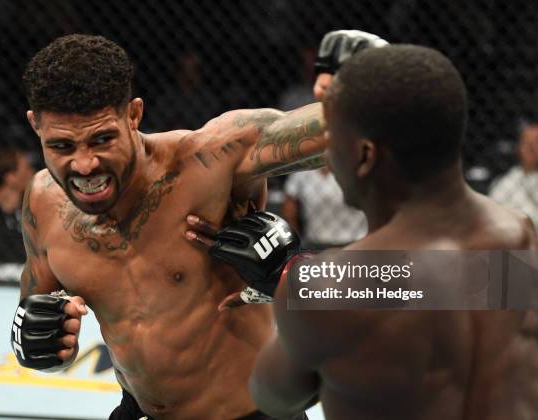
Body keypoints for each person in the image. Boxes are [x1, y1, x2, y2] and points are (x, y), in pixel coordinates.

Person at [9, 31, 385, 419]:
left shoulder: (211, 162)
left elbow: (357, 126)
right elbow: (37, 313)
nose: (85, 165)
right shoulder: (43, 201)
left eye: (102, 139)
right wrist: (42, 345)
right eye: (62, 147)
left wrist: (379, 79)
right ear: (35, 125)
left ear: (134, 114)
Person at [186, 45, 538, 419]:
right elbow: (447, 280)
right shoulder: (519, 236)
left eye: (333, 140)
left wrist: (289, 278)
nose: (326, 158)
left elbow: (273, 398)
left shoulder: (329, 285)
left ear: (365, 155)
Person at [282, 167, 367, 249]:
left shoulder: (354, 168)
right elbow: (289, 209)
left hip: (355, 240)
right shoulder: (301, 173)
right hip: (316, 242)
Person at [489, 119, 538, 230]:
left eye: (537, 142)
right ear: (520, 148)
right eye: (528, 144)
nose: (533, 148)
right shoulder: (506, 184)